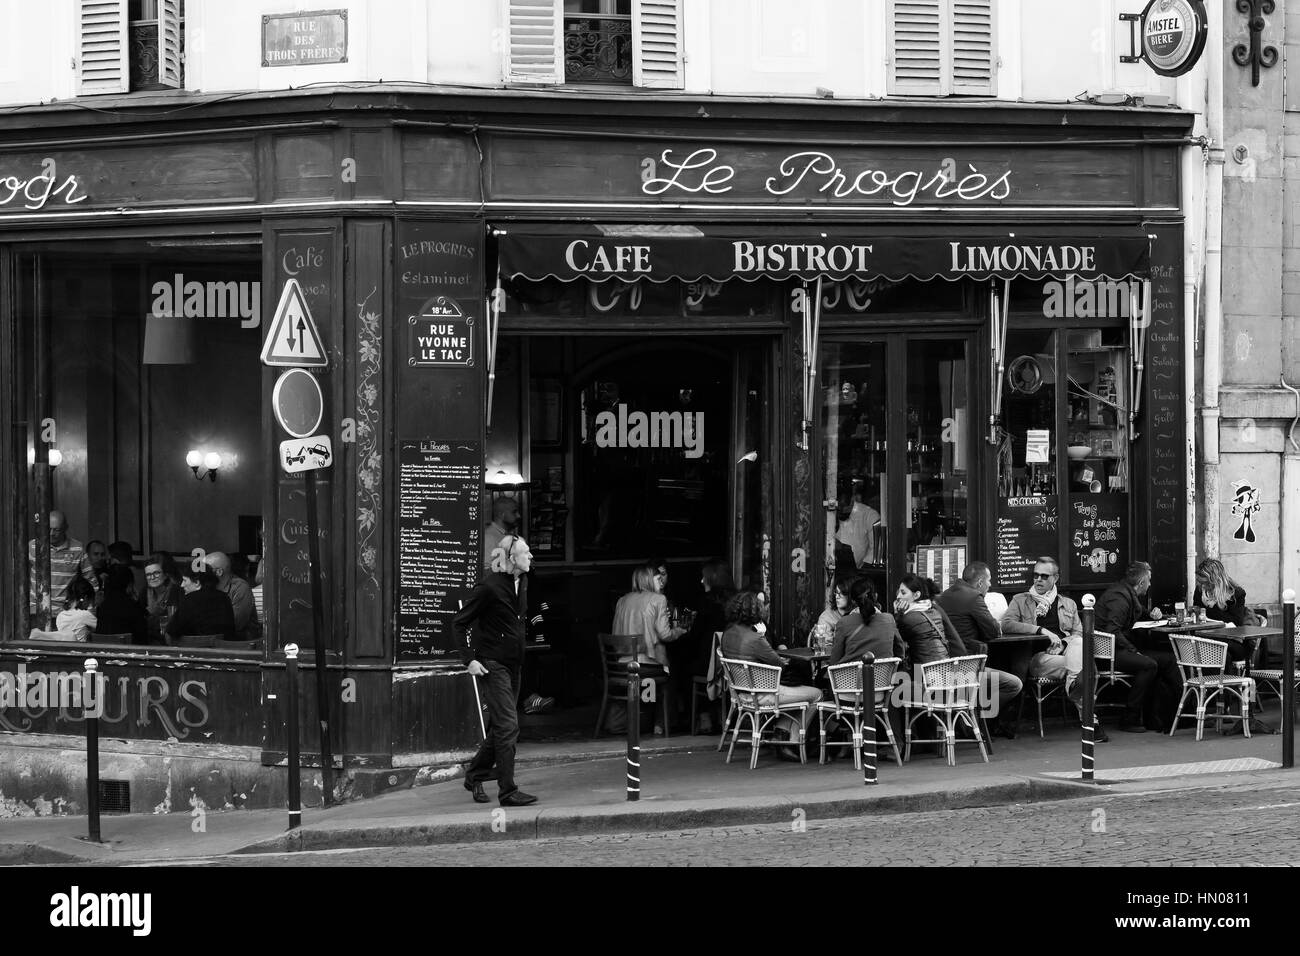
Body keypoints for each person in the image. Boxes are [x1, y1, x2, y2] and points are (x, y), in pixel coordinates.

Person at [452, 534, 538, 807]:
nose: (531, 557)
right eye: (526, 553)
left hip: (514, 664)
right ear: (512, 559)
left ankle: (475, 773)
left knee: (503, 727)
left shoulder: (522, 581)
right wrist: (469, 661)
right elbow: (459, 623)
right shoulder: (489, 586)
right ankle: (507, 791)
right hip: (492, 664)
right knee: (509, 726)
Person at [1001, 556, 1108, 742]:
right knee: (1083, 669)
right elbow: (1007, 624)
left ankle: (1076, 687)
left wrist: (1063, 644)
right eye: (1035, 575)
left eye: (1044, 576)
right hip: (1038, 659)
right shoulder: (1020, 600)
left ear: (1055, 578)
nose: (1038, 580)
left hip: (1064, 658)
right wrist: (1041, 630)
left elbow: (1080, 634)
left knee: (1077, 645)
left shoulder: (1068, 604)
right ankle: (1090, 720)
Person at [720, 590, 822, 753]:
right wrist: (762, 635)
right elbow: (779, 665)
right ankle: (793, 740)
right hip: (764, 694)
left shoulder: (728, 633)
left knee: (800, 694)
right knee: (816, 694)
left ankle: (781, 732)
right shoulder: (756, 639)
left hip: (741, 693)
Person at [935, 562, 1025, 737]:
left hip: (944, 666)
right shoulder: (974, 598)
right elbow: (993, 631)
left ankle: (969, 718)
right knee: (1014, 684)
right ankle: (978, 719)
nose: (990, 585)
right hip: (967, 668)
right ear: (980, 583)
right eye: (989, 581)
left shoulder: (943, 596)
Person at [1096, 561, 1180, 732]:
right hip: (1108, 652)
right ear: (1141, 583)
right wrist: (1134, 650)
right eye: (1149, 580)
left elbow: (1139, 609)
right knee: (1149, 665)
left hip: (1120, 648)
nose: (1150, 584)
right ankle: (1130, 717)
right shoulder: (1119, 598)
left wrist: (1152, 613)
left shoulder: (1126, 592)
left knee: (1169, 660)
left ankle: (1171, 715)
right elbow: (1113, 630)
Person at [609, 563, 685, 734]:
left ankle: (625, 721)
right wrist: (680, 630)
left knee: (655, 680)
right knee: (671, 677)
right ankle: (660, 724)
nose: (662, 582)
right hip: (647, 666)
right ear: (649, 580)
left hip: (622, 665)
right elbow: (665, 635)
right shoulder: (659, 599)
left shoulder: (622, 600)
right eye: (658, 578)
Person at [675, 558, 734, 734]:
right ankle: (720, 714)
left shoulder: (707, 604)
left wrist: (682, 632)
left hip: (710, 665)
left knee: (681, 669)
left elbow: (695, 635)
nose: (701, 581)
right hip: (733, 665)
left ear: (712, 579)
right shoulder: (735, 601)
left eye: (703, 577)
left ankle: (702, 716)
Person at [27, 510, 95, 618]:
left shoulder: (77, 549)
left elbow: (90, 581)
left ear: (65, 528)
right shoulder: (33, 546)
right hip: (36, 610)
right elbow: (18, 577)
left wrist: (89, 611)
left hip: (66, 613)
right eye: (48, 529)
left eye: (56, 530)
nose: (51, 533)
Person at [1193, 558, 1259, 669]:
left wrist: (1207, 610)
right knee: (1218, 654)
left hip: (1233, 641)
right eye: (1199, 582)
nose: (1202, 586)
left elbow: (1235, 622)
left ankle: (1223, 684)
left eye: (1205, 583)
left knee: (1217, 653)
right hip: (1209, 638)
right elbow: (1198, 616)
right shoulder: (1200, 590)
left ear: (1215, 580)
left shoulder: (1236, 593)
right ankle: (1216, 684)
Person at [829, 577, 902, 666]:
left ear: (852, 600)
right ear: (875, 596)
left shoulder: (843, 623)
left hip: (849, 679)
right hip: (882, 678)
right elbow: (900, 652)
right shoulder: (889, 620)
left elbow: (834, 661)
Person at [167, 567, 236, 642]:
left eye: (184, 580)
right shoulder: (225, 598)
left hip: (194, 651)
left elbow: (172, 631)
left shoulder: (189, 599)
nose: (182, 585)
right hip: (224, 651)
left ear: (197, 582)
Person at [204, 552, 258, 641]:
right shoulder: (207, 588)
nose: (200, 574)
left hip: (241, 645)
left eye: (204, 570)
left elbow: (236, 623)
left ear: (219, 572)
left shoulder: (240, 587)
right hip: (215, 641)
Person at [94, 565, 150, 645]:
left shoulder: (102, 607)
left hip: (103, 654)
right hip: (129, 655)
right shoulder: (133, 607)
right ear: (130, 584)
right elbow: (143, 639)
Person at [834, 489, 881, 573]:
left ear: (852, 499)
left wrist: (860, 573)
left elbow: (875, 551)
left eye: (844, 506)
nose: (842, 510)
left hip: (861, 571)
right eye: (838, 508)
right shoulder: (830, 514)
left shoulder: (869, 515)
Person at [142, 558, 183, 643]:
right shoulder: (144, 592)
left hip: (172, 641)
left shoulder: (175, 590)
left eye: (156, 573)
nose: (152, 577)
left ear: (165, 574)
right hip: (149, 641)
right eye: (148, 575)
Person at [811, 578, 853, 650]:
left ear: (851, 595)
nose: (837, 596)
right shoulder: (826, 617)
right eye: (836, 592)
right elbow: (826, 647)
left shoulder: (857, 612)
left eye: (842, 593)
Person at [483, 497, 521, 571]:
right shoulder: (489, 537)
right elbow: (487, 574)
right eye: (514, 512)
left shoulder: (509, 535)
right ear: (502, 515)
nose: (518, 516)